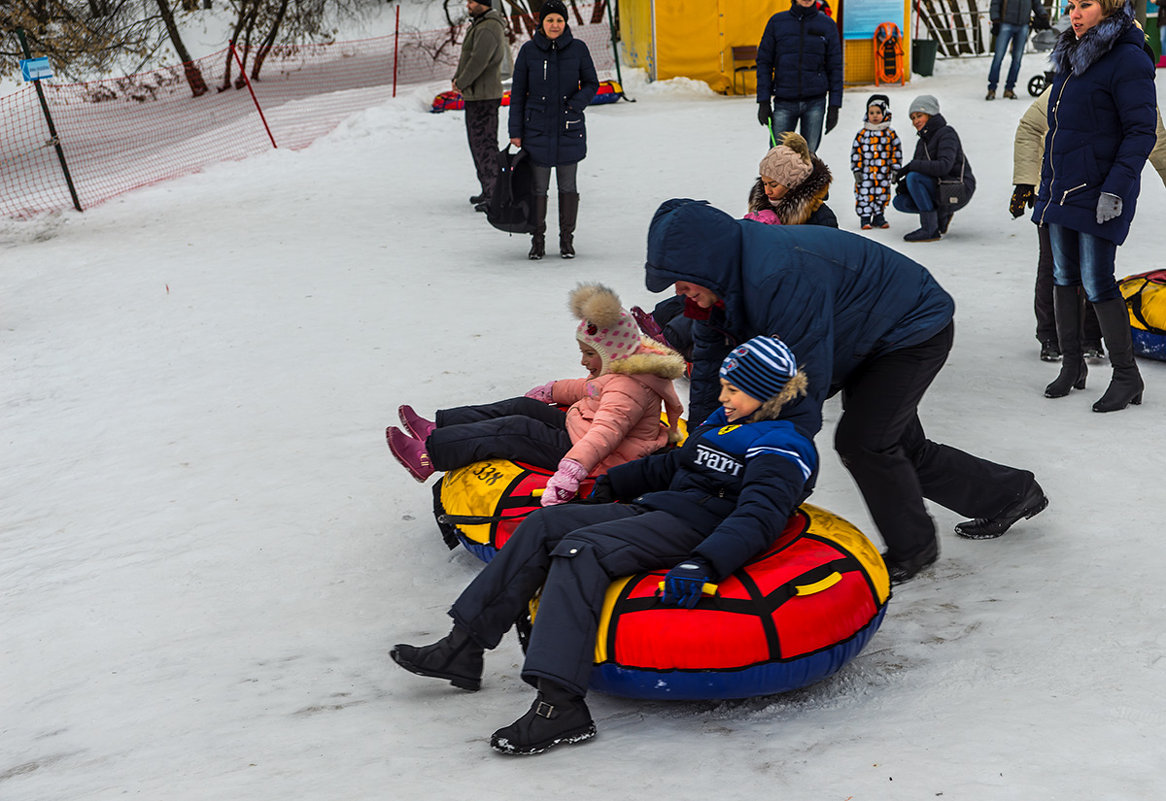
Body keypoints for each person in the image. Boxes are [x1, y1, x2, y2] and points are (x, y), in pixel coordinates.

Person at [390, 335, 818, 755]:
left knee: (582, 549)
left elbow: (759, 514)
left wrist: (705, 563)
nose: (723, 397)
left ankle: (560, 706)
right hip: (661, 508)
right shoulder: (727, 424)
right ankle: (461, 648)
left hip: (698, 529)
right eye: (724, 386)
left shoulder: (783, 445)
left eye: (735, 390)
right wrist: (616, 482)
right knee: (545, 525)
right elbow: (677, 463)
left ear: (765, 394)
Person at [643, 198, 1047, 583]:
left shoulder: (778, 276)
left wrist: (778, 475)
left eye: (682, 280)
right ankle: (1009, 494)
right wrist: (700, 446)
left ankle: (913, 549)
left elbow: (799, 386)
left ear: (708, 262)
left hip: (911, 328)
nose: (679, 293)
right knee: (895, 447)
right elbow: (712, 370)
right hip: (858, 333)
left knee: (866, 442)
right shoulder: (719, 287)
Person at [386, 284, 684, 504]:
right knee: (522, 406)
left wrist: (572, 470)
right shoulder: (621, 365)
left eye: (588, 354)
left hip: (599, 455)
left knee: (517, 431)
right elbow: (590, 390)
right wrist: (552, 390)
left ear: (612, 351)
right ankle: (441, 427)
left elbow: (604, 434)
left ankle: (429, 456)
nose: (583, 361)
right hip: (582, 425)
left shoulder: (628, 388)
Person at [1033, 0, 1156, 412]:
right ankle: (1073, 366)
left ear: (1110, 8)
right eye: (1070, 5)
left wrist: (1116, 189)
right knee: (1063, 276)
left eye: (1085, 4)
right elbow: (1058, 132)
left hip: (1100, 188)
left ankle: (1127, 376)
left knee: (1098, 280)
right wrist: (1044, 189)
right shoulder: (1071, 55)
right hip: (1062, 188)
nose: (1075, 12)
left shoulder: (1128, 58)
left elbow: (1141, 131)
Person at [1011, 90, 1105, 361]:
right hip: (1054, 191)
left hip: (1099, 194)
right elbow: (1030, 126)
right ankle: (1050, 335)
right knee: (1054, 265)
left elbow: (1157, 143)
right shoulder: (1070, 82)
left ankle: (1089, 336)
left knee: (1095, 268)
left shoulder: (1134, 92)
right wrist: (1025, 182)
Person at [508, 0, 599, 260]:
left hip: (569, 129)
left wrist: (575, 105)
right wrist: (515, 130)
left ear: (565, 22)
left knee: (568, 186)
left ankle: (566, 241)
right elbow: (517, 94)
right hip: (535, 129)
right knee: (538, 189)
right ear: (542, 22)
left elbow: (592, 83)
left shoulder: (578, 49)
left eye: (559, 20)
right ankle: (537, 240)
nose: (555, 25)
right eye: (550, 20)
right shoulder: (528, 51)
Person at [755, 0, 843, 154]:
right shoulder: (777, 22)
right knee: (778, 156)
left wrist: (834, 106)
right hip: (784, 102)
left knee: (808, 158)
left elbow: (835, 67)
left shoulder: (827, 24)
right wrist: (763, 101)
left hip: (815, 103)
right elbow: (764, 62)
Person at [892, 95, 975, 242]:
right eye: (912, 118)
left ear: (930, 114)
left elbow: (944, 166)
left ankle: (930, 229)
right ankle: (940, 219)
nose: (915, 121)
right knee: (901, 201)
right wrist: (905, 185)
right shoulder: (922, 141)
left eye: (919, 116)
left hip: (958, 186)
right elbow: (922, 169)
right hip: (939, 186)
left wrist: (910, 168)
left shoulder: (947, 133)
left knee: (914, 177)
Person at [452, 0, 508, 212]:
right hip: (475, 95)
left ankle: (495, 194)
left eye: (472, 1)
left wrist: (462, 82)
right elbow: (467, 58)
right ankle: (488, 188)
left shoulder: (489, 27)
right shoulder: (479, 24)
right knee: (477, 145)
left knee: (485, 146)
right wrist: (458, 79)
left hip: (484, 96)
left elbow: (478, 61)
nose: (468, 4)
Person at [745, 131, 838, 227]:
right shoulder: (761, 207)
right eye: (764, 183)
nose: (767, 191)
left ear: (793, 183)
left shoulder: (821, 218)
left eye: (773, 185)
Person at [850, 94, 903, 230]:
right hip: (866, 173)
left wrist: (895, 169)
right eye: (871, 113)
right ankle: (865, 217)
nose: (874, 116)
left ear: (885, 113)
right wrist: (857, 169)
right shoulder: (862, 134)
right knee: (864, 194)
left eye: (878, 113)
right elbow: (856, 152)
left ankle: (879, 216)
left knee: (882, 193)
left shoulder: (890, 134)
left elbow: (896, 152)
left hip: (882, 172)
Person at [986, 0, 1052, 100]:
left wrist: (1043, 15)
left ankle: (1009, 88)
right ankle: (992, 88)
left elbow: (1036, 3)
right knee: (998, 57)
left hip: (1023, 25)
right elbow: (995, 3)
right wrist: (995, 20)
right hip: (1005, 24)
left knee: (1017, 59)